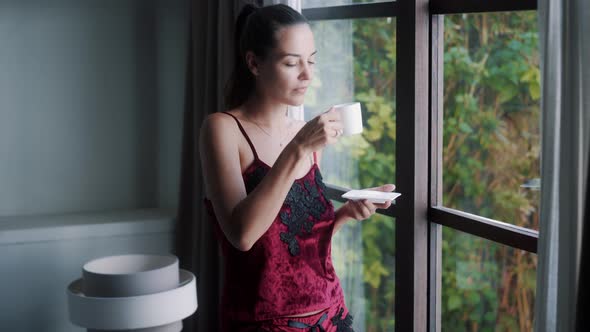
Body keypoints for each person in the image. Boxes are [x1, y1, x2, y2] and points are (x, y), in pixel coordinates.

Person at [199, 4, 396, 331]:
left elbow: (294, 246)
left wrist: (345, 214)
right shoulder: (223, 129)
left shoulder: (302, 134)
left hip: (331, 314)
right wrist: (299, 148)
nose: (307, 74)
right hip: (264, 323)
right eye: (292, 63)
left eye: (312, 60)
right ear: (254, 63)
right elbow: (243, 235)